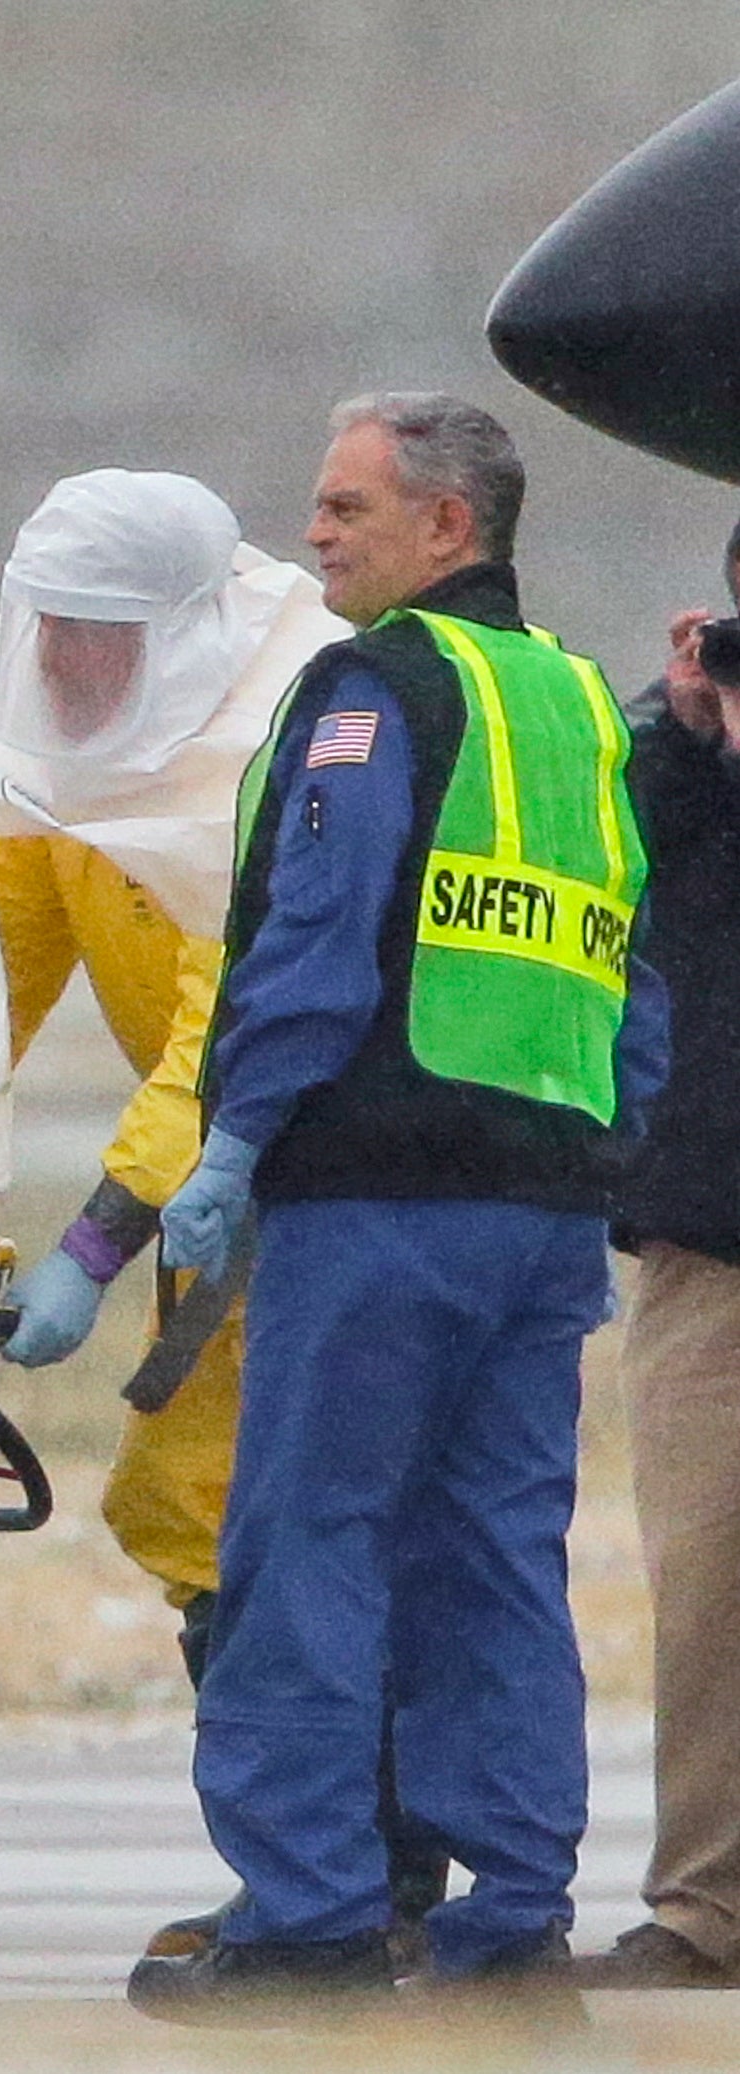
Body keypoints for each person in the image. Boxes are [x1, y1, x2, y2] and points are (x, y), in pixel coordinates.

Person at [128, 393, 667, 2023]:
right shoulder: (576, 701)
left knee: (309, 1540)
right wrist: (603, 1143)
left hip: (376, 1198)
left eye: (350, 505)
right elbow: (631, 961)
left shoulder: (371, 690)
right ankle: (510, 1917)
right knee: (499, 1559)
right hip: (548, 1204)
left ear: (452, 527)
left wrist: (238, 1140)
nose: (316, 531)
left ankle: (306, 1919)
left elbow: (315, 931)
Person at [0, 473, 356, 1955]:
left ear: (179, 630)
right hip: (217, 1192)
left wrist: (102, 1235)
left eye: (101, 637)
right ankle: (311, 1876)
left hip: (322, 1176)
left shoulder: (283, 734)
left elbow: (233, 1018)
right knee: (191, 1508)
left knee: (294, 1527)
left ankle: (346, 1884)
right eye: (51, 629)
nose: (64, 666)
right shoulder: (45, 758)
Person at [569, 520, 740, 1989]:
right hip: (710, 1244)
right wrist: (679, 734)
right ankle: (709, 1909)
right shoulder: (683, 773)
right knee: (710, 1590)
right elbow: (591, 858)